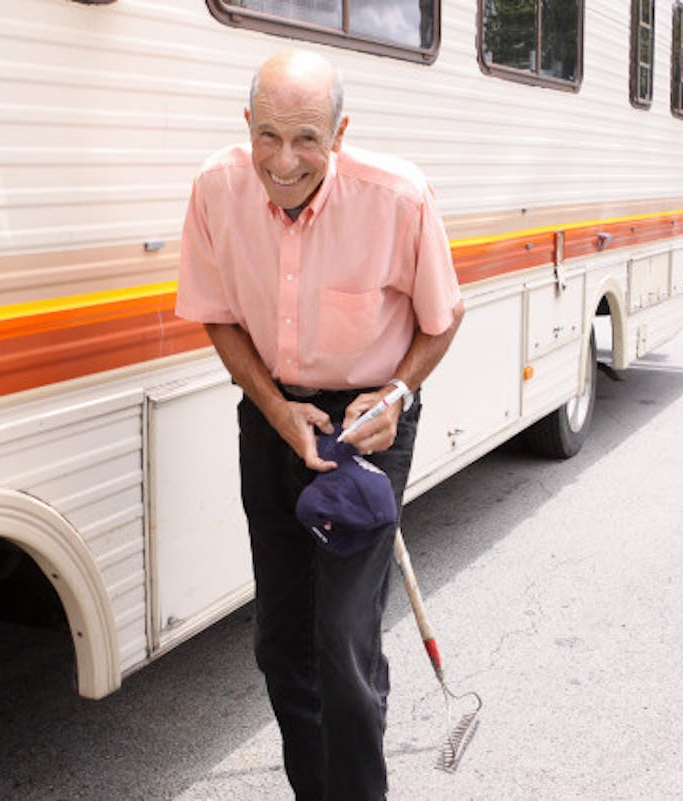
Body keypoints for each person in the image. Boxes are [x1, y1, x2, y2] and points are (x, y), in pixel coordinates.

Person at [175, 49, 464, 801]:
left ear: (340, 133)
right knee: (282, 640)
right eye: (267, 135)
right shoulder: (215, 188)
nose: (284, 159)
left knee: (341, 634)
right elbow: (218, 315)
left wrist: (397, 392)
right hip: (273, 413)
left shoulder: (398, 196)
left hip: (369, 420)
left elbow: (443, 317)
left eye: (307, 138)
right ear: (246, 126)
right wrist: (275, 406)